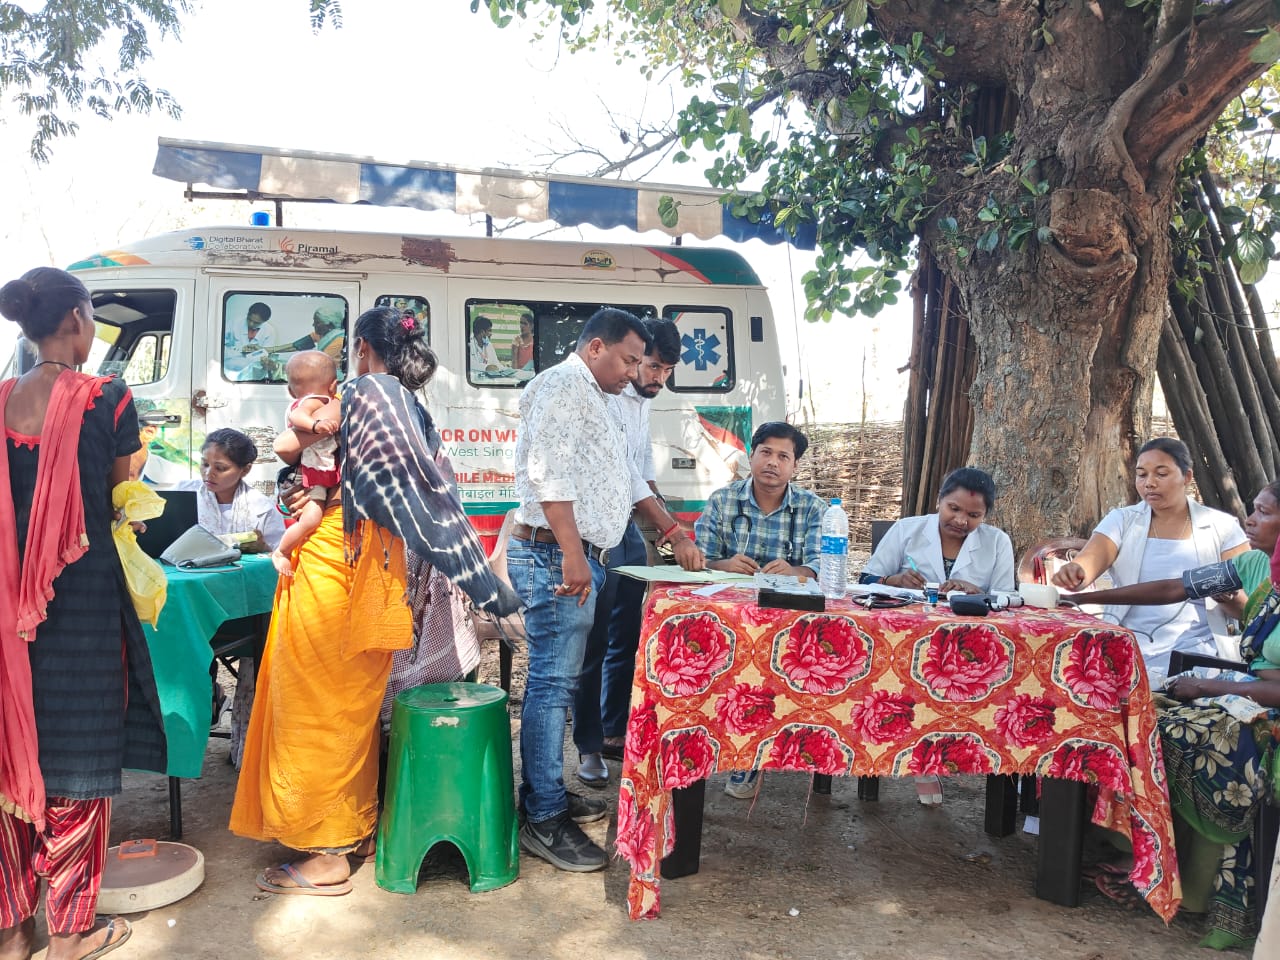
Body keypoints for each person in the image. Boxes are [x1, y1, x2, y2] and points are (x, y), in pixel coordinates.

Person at [230, 306, 517, 897]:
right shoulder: (406, 403)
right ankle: (352, 831)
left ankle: (328, 851)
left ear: (362, 348)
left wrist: (303, 437)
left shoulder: (368, 389)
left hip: (337, 572)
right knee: (350, 707)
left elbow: (297, 449)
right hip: (365, 570)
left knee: (317, 705)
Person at [0, 267, 168, 960]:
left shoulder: (2, 399)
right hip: (84, 606)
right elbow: (125, 489)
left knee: (12, 755)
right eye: (92, 314)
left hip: (8, 610)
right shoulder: (108, 397)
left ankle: (12, 932)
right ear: (74, 318)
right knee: (79, 760)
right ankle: (70, 935)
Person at [1063, 479, 1280, 950]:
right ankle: (1143, 855)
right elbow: (1173, 588)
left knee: (1161, 732)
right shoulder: (1256, 564)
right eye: (1253, 509)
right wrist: (1084, 602)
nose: (1250, 521)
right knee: (1129, 717)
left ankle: (1163, 866)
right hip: (1243, 695)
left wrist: (1204, 686)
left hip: (1269, 716)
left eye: (1262, 513)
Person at [508, 306, 650, 872]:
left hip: (572, 553)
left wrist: (666, 526)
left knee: (559, 686)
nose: (634, 372)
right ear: (596, 348)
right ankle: (542, 818)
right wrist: (572, 554)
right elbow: (549, 474)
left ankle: (548, 793)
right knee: (550, 686)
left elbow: (627, 475)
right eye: (629, 359)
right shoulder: (564, 386)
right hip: (551, 553)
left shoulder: (605, 400)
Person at [574, 318, 703, 788]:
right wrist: (673, 530)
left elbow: (644, 472)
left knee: (627, 636)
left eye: (666, 370)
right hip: (597, 531)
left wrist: (665, 525)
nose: (656, 378)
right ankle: (588, 746)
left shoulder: (644, 400)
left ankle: (613, 730)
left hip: (627, 528)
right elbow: (625, 476)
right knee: (592, 644)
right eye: (651, 366)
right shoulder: (608, 394)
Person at [695, 420, 825, 798]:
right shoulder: (723, 500)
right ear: (751, 456)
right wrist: (723, 565)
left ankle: (767, 752)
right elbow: (701, 558)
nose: (773, 462)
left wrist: (797, 570)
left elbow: (820, 564)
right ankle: (728, 751)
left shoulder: (812, 508)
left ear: (795, 466)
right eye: (765, 452)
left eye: (784, 456)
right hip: (731, 617)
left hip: (791, 618)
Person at [1052, 437, 1248, 674]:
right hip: (1124, 647)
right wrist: (1075, 571)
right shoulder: (1122, 520)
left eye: (1161, 474)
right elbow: (1090, 559)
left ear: (1186, 477)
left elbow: (1248, 608)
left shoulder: (1222, 527)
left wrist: (1227, 597)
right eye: (1142, 475)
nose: (1149, 483)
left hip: (1198, 652)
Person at [859, 466, 1015, 596]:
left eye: (973, 515)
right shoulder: (905, 529)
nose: (961, 520)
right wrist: (895, 581)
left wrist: (978, 593)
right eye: (954, 508)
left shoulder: (997, 542)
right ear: (939, 500)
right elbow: (865, 580)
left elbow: (1006, 600)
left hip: (973, 628)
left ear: (984, 515)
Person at [270, 352, 340, 577]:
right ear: (334, 385)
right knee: (312, 518)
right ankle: (281, 551)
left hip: (317, 471)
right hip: (311, 474)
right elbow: (298, 416)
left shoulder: (318, 401)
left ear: (290, 389)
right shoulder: (317, 401)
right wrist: (315, 425)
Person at [173, 428, 285, 555]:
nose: (208, 473)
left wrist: (263, 547)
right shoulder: (182, 492)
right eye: (205, 464)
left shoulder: (262, 508)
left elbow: (280, 554)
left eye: (220, 468)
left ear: (245, 470)